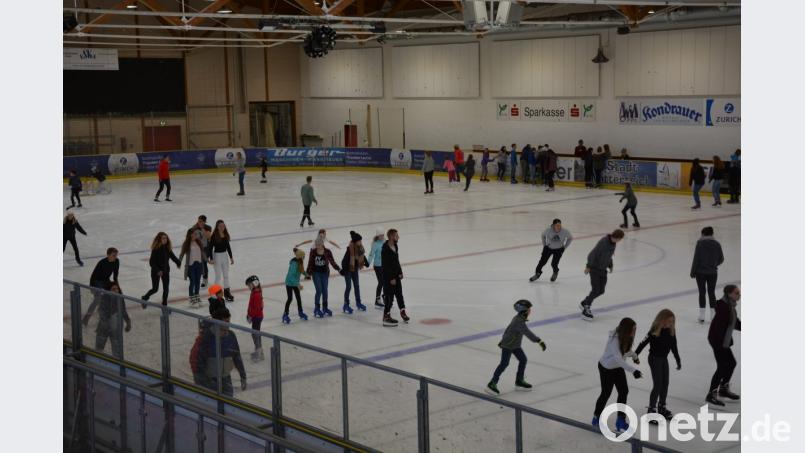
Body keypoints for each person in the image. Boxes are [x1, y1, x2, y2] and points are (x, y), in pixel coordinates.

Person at [591, 317, 642, 433]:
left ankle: (620, 420)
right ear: (626, 329)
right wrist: (633, 371)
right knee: (606, 393)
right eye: (633, 329)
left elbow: (625, 351)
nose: (634, 332)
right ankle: (596, 418)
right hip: (606, 368)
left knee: (624, 391)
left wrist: (635, 356)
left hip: (617, 368)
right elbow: (618, 358)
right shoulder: (614, 340)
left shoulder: (626, 337)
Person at [485, 300, 547, 395]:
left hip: (515, 345)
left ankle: (519, 381)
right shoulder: (519, 321)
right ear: (524, 310)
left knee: (523, 360)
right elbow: (527, 333)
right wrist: (539, 341)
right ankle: (492, 383)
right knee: (504, 364)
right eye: (529, 309)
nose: (530, 311)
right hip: (508, 345)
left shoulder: (519, 318)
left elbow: (509, 329)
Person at [634, 309, 681, 421]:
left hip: (664, 359)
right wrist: (636, 355)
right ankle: (651, 409)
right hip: (654, 359)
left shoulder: (671, 331)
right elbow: (643, 343)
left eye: (672, 322)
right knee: (658, 384)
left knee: (665, 383)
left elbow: (674, 347)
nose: (670, 324)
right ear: (662, 320)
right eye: (668, 321)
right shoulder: (654, 331)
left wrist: (678, 360)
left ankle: (662, 406)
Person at [198, 307, 247, 397]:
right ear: (217, 322)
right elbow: (199, 360)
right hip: (210, 380)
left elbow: (236, 356)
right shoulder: (208, 336)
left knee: (228, 404)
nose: (228, 325)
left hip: (226, 379)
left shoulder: (231, 336)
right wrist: (202, 381)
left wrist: (243, 375)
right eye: (226, 322)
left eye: (229, 321)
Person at [705, 285, 741, 407]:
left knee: (731, 363)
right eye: (737, 293)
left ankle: (723, 389)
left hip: (722, 341)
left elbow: (734, 322)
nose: (739, 295)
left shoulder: (729, 305)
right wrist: (721, 345)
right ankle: (711, 394)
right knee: (722, 366)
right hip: (718, 340)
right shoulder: (724, 307)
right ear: (730, 294)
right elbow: (719, 327)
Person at [580, 229, 625, 321]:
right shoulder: (603, 242)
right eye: (620, 239)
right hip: (594, 269)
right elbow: (592, 254)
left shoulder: (613, 244)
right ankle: (586, 308)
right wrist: (588, 266)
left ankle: (585, 302)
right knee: (596, 289)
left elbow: (609, 256)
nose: (620, 241)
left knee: (601, 291)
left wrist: (610, 265)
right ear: (617, 237)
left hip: (603, 269)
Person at [82, 281, 131, 359]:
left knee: (117, 350)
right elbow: (101, 311)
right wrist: (106, 320)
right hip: (103, 328)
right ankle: (97, 361)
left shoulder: (120, 298)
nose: (116, 291)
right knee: (99, 348)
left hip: (115, 329)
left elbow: (123, 311)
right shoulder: (104, 298)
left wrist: (128, 322)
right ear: (109, 290)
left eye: (117, 289)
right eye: (113, 289)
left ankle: (118, 364)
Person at [690, 226, 724, 323]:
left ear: (703, 234)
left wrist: (693, 271)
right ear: (712, 234)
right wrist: (713, 264)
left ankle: (702, 316)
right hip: (713, 273)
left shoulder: (700, 243)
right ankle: (713, 316)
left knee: (702, 292)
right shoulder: (717, 244)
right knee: (711, 292)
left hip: (700, 272)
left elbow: (696, 259)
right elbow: (721, 259)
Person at [141, 232, 181, 306]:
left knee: (166, 288)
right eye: (163, 238)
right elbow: (151, 262)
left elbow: (173, 257)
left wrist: (178, 263)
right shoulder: (155, 249)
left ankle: (164, 304)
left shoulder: (167, 248)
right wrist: (158, 270)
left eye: (166, 238)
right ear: (159, 239)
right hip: (156, 272)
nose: (165, 240)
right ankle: (145, 297)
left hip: (165, 271)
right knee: (155, 289)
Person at [306, 237, 341, 318]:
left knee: (325, 290)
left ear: (322, 244)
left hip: (325, 273)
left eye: (319, 244)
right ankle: (317, 308)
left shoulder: (327, 251)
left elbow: (332, 261)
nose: (317, 246)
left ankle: (325, 307)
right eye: (316, 244)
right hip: (316, 273)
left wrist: (338, 268)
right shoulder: (313, 252)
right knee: (319, 290)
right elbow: (310, 262)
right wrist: (308, 273)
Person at [381, 228, 407, 326]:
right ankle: (386, 317)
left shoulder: (395, 245)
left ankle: (403, 311)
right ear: (391, 237)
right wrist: (391, 278)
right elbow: (385, 266)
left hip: (396, 275)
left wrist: (400, 272)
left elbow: (396, 261)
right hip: (388, 278)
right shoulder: (385, 249)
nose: (398, 237)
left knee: (399, 294)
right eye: (396, 236)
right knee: (389, 297)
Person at [341, 231, 369, 313]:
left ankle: (358, 303)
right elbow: (344, 261)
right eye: (359, 241)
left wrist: (366, 262)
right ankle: (346, 304)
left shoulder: (360, 247)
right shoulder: (350, 249)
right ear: (355, 241)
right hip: (348, 270)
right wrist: (344, 269)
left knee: (357, 286)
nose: (361, 242)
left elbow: (362, 255)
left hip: (355, 269)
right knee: (349, 286)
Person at [179, 228, 206, 308]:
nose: (195, 235)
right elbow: (182, 254)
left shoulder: (198, 242)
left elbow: (202, 252)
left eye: (196, 234)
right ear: (190, 234)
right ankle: (191, 299)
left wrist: (207, 260)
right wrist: (179, 262)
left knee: (198, 282)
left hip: (199, 264)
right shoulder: (186, 243)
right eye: (194, 234)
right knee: (192, 282)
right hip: (191, 266)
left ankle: (197, 297)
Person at [208, 220, 235, 302]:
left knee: (226, 275)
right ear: (217, 227)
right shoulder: (214, 236)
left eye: (223, 226)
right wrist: (211, 258)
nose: (222, 227)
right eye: (220, 226)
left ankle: (227, 293)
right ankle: (216, 293)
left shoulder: (225, 235)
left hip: (224, 256)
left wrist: (231, 257)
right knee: (218, 276)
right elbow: (210, 248)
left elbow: (228, 246)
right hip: (217, 256)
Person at [282, 248, 309, 324]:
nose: (304, 257)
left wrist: (306, 275)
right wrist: (298, 284)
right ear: (300, 256)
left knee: (298, 298)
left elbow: (301, 270)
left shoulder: (300, 261)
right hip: (289, 283)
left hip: (295, 283)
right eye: (303, 256)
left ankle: (300, 312)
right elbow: (291, 276)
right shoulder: (294, 263)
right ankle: (285, 314)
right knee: (290, 298)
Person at [245, 275, 265, 362]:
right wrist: (248, 314)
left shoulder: (256, 294)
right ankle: (258, 351)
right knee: (255, 334)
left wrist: (250, 316)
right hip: (256, 317)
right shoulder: (255, 292)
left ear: (254, 284)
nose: (249, 287)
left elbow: (256, 308)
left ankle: (259, 353)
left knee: (256, 335)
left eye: (249, 285)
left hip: (257, 317)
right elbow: (251, 306)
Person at [192, 215, 213, 288]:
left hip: (205, 248)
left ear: (204, 222)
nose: (198, 222)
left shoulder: (208, 227)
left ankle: (205, 279)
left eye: (200, 221)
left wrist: (202, 229)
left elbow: (208, 237)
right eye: (198, 221)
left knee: (203, 263)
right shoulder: (195, 227)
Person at [368, 228, 385, 309]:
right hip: (377, 266)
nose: (382, 237)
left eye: (383, 235)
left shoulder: (385, 242)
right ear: (377, 236)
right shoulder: (375, 244)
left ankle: (384, 296)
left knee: (385, 282)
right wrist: (368, 263)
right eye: (381, 235)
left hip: (385, 265)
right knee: (381, 281)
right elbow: (371, 254)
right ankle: (377, 300)